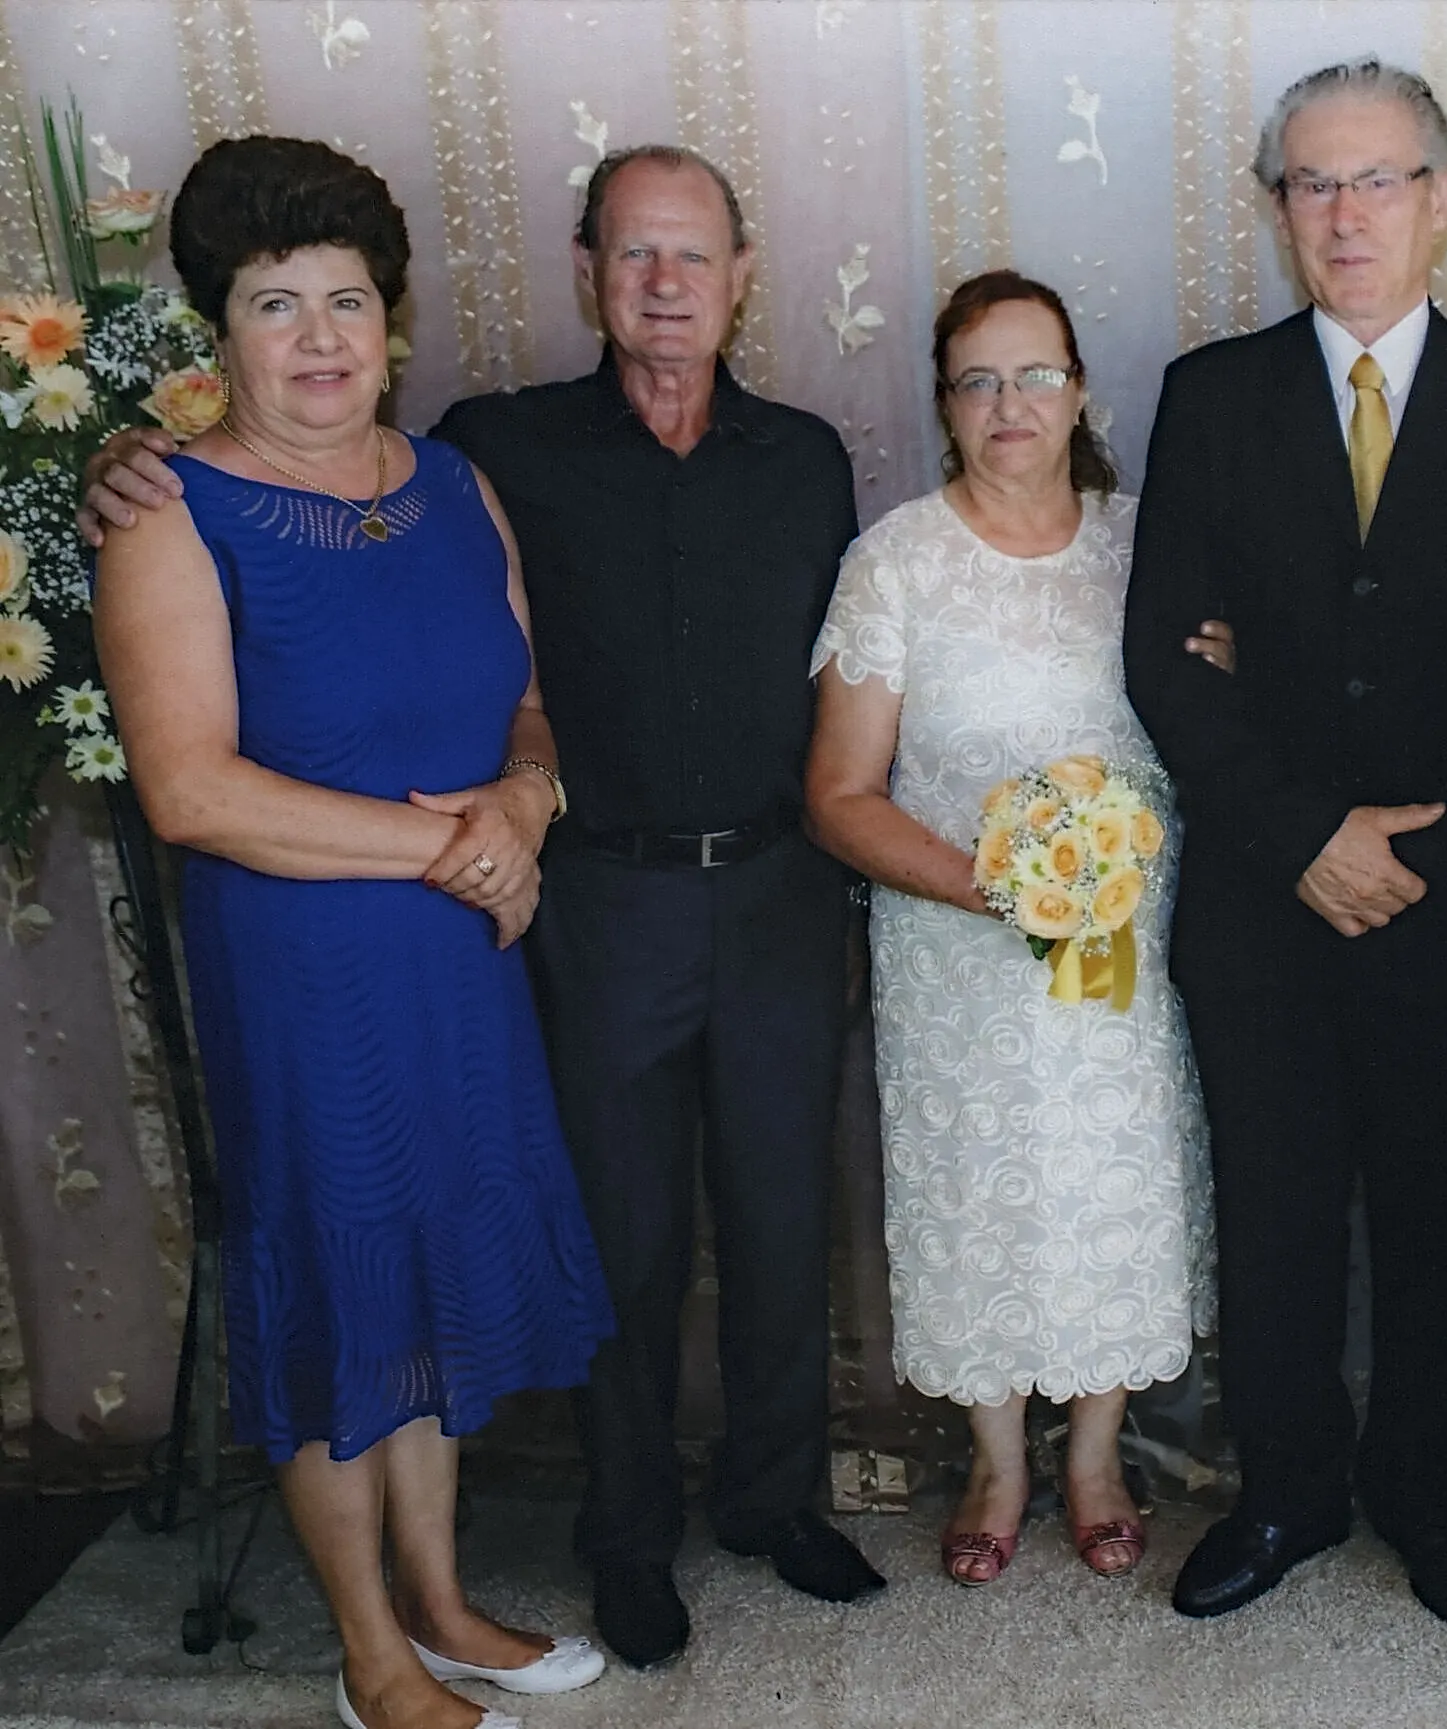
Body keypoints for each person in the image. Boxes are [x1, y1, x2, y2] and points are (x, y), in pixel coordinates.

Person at [83, 144, 883, 1670]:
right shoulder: (493, 446)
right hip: (566, 913)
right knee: (612, 1236)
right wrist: (107, 453)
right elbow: (196, 754)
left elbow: (532, 694)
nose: (665, 284)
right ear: (586, 272)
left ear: (742, 273)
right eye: (633, 255)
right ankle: (617, 1546)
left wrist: (520, 796)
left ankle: (759, 1512)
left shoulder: (782, 461)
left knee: (776, 1222)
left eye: (694, 256)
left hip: (735, 894)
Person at [95, 136, 610, 1729]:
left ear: (389, 320)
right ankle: (372, 1656)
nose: (318, 339)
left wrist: (523, 806)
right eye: (274, 304)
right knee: (339, 1281)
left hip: (462, 955)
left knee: (435, 1262)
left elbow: (524, 697)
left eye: (345, 302)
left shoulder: (455, 486)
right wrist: (457, 845)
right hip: (308, 968)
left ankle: (445, 1602)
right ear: (221, 332)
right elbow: (191, 792)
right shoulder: (169, 511)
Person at [1122, 58, 1447, 1630]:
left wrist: (1419, 839)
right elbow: (1156, 660)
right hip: (1263, 898)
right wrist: (1301, 839)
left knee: (1429, 1209)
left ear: (1441, 200)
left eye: (1377, 179)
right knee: (1272, 1209)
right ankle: (1285, 1492)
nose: (1344, 215)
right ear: (1277, 209)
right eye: (1311, 184)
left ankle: (1419, 1485)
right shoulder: (1209, 394)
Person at [805, 270, 1214, 1586]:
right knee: (976, 1192)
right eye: (978, 380)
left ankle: (1097, 1451)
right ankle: (999, 1455)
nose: (1010, 403)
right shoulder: (898, 562)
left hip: (1126, 964)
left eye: (1035, 373)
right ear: (946, 407)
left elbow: (1224, 726)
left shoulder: (1149, 545)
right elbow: (837, 795)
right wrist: (988, 888)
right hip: (956, 949)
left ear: (1080, 388)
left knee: (1111, 1181)